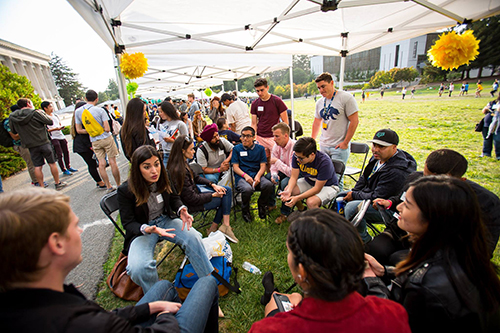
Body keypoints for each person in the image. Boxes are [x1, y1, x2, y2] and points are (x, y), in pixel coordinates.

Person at [0, 188, 219, 333]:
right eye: (75, 225)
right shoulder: (73, 322)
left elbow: (104, 316)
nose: (80, 231)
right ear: (57, 244)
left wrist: (146, 309)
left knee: (163, 285)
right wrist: (164, 316)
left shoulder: (38, 301)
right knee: (207, 283)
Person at [363, 176, 500, 333]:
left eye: (407, 204)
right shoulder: (465, 255)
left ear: (432, 217)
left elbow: (394, 323)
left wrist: (371, 281)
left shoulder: (425, 286)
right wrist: (385, 271)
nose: (399, 207)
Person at [249, 209, 411, 333]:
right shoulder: (392, 314)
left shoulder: (269, 329)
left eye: (290, 252)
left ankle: (271, 293)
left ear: (302, 272)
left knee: (280, 299)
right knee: (295, 297)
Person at [367, 149, 500, 265]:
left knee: (398, 259)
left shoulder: (486, 203)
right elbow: (401, 200)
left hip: (442, 251)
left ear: (460, 181)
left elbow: (484, 248)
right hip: (401, 235)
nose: (426, 185)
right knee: (373, 251)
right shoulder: (415, 179)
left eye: (436, 182)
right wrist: (391, 203)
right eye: (425, 177)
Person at [117, 145, 214, 293]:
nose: (154, 171)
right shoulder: (126, 190)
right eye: (147, 167)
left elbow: (174, 197)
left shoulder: (164, 175)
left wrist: (182, 209)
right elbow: (128, 222)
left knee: (194, 237)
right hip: (143, 230)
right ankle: (160, 296)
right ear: (137, 168)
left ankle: (208, 287)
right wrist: (146, 228)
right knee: (138, 268)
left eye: (156, 164)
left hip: (165, 220)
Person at [339, 128, 416, 243]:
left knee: (351, 207)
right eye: (374, 145)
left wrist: (354, 195)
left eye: (382, 147)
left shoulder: (397, 171)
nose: (375, 150)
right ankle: (344, 233)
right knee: (340, 196)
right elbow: (364, 177)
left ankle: (364, 241)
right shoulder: (377, 157)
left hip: (386, 207)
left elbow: (378, 195)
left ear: (394, 147)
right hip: (370, 195)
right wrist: (354, 192)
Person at [168, 135, 237, 243]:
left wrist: (212, 185)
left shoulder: (182, 163)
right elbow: (191, 199)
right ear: (182, 151)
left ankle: (221, 227)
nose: (193, 151)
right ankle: (219, 227)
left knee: (226, 190)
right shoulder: (179, 170)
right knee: (225, 196)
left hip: (195, 193)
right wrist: (213, 195)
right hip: (191, 204)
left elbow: (196, 177)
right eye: (191, 149)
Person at [311, 72, 359, 190]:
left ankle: (337, 206)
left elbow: (354, 121)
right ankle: (327, 202)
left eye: (323, 86)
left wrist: (345, 142)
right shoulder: (320, 102)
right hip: (324, 145)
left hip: (339, 147)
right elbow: (317, 122)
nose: (321, 90)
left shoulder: (346, 98)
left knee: (336, 179)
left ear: (332, 83)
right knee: (323, 176)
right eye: (318, 88)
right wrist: (312, 141)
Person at [9, 98, 67, 190]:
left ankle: (41, 187)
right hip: (43, 141)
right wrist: (42, 113)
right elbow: (49, 121)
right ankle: (57, 183)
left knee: (37, 166)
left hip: (30, 145)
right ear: (28, 104)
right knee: (52, 163)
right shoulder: (35, 112)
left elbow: (13, 131)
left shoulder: (13, 117)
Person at [75, 90, 120, 192]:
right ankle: (118, 184)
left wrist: (92, 131)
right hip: (106, 138)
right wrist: (100, 129)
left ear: (85, 99)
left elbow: (79, 130)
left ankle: (108, 186)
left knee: (101, 164)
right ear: (97, 99)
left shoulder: (78, 112)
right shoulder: (100, 110)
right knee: (112, 162)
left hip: (94, 140)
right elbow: (107, 128)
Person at [280, 137, 339, 215]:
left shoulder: (324, 162)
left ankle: (322, 223)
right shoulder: (297, 156)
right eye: (296, 156)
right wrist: (288, 191)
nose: (297, 159)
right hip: (309, 181)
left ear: (312, 155)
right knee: (289, 189)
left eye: (301, 158)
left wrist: (297, 198)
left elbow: (317, 189)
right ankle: (302, 209)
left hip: (328, 186)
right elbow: (293, 177)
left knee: (311, 202)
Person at [231, 126, 274, 222]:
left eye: (248, 136)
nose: (245, 138)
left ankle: (262, 204)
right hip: (242, 177)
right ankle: (245, 210)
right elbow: (235, 167)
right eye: (243, 136)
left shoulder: (260, 149)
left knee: (268, 185)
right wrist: (245, 176)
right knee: (247, 189)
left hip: (256, 175)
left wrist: (258, 176)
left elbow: (263, 165)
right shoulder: (236, 149)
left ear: (253, 137)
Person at [70, 101, 106, 189]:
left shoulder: (76, 119)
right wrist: (91, 147)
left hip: (81, 146)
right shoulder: (81, 119)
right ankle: (100, 182)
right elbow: (83, 137)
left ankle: (99, 181)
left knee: (92, 164)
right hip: (83, 146)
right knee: (92, 164)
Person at [3, 105, 39, 186]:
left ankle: (38, 179)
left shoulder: (19, 119)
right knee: (31, 163)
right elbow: (15, 137)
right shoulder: (9, 122)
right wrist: (25, 130)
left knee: (35, 162)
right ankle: (36, 181)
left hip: (28, 143)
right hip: (20, 145)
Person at [250, 78, 288, 153]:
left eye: (262, 90)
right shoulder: (255, 103)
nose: (260, 93)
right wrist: (253, 137)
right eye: (257, 91)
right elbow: (254, 123)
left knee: (275, 159)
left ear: (267, 88)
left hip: (273, 137)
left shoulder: (277, 101)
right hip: (260, 137)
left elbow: (285, 121)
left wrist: (283, 136)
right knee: (261, 160)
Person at [269, 123, 297, 224]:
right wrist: (274, 175)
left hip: (294, 174)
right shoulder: (276, 146)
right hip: (282, 170)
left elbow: (291, 172)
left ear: (286, 136)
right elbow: (273, 164)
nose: (274, 139)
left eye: (277, 136)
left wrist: (277, 162)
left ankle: (285, 213)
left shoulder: (294, 147)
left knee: (286, 184)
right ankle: (271, 203)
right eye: (274, 136)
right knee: (267, 179)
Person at [42, 101, 78, 176]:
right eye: (50, 107)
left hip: (61, 135)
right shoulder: (44, 118)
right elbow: (46, 130)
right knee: (59, 153)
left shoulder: (55, 115)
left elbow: (59, 123)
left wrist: (60, 128)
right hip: (53, 137)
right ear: (45, 108)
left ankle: (68, 166)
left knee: (66, 151)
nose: (52, 108)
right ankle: (63, 169)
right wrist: (55, 129)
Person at [157, 101, 188, 167]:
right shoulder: (160, 123)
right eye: (159, 112)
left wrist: (173, 141)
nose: (160, 114)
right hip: (165, 153)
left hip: (178, 154)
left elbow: (187, 140)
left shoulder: (180, 124)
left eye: (161, 112)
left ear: (167, 111)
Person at [481, 92, 500, 159]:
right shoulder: (493, 102)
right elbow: (484, 111)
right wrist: (486, 109)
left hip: (498, 125)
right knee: (486, 139)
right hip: (487, 123)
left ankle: (498, 155)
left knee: (498, 140)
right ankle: (486, 153)